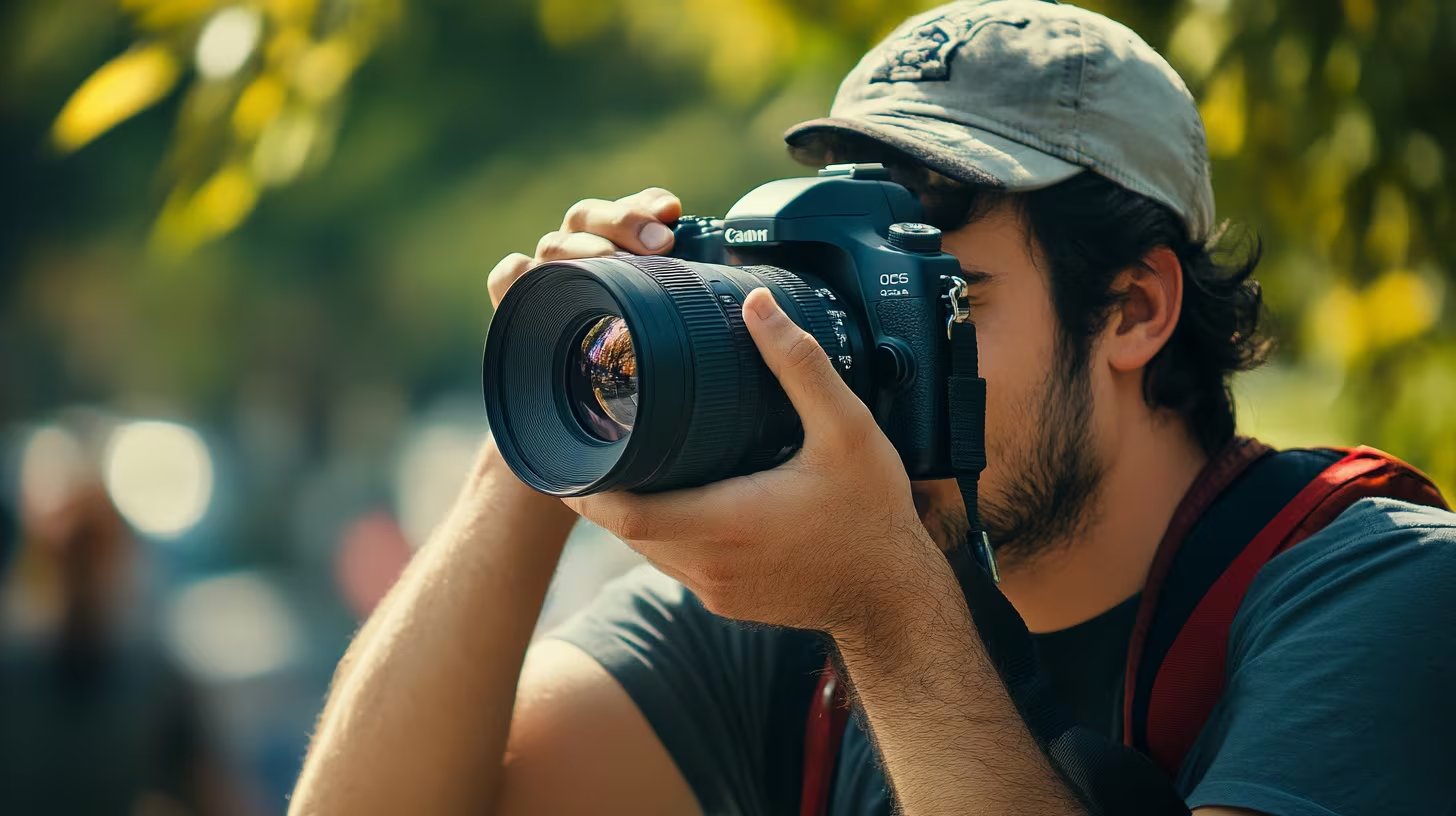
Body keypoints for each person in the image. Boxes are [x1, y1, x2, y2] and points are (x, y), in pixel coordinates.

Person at [290, 2, 1456, 814]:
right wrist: (550, 426)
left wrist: (890, 609)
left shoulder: (1382, 595)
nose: (846, 362)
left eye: (937, 297)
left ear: (1132, 310)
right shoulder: (784, 624)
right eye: (832, 293)